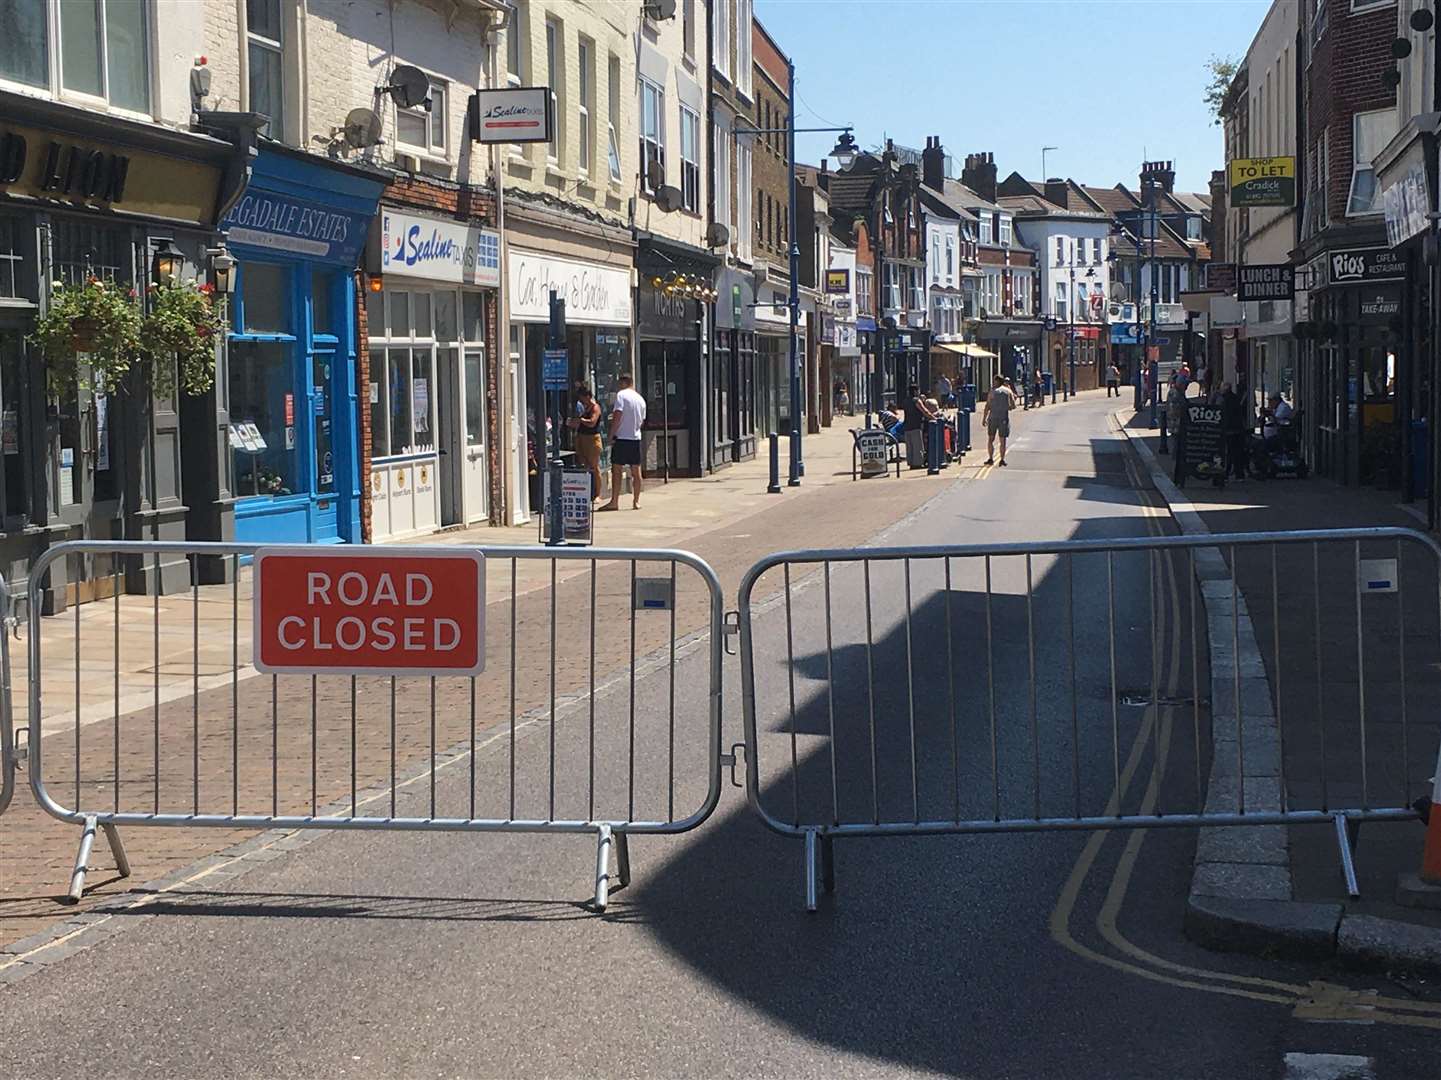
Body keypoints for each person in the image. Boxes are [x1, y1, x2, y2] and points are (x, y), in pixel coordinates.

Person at [601, 373, 646, 510]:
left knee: (617, 469)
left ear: (624, 382)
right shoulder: (640, 399)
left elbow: (617, 415)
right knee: (636, 470)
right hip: (635, 437)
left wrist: (611, 435)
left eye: (620, 383)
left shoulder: (621, 396)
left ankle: (614, 501)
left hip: (621, 438)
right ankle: (636, 501)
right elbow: (642, 421)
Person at [566, 383, 604, 503]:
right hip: (582, 437)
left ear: (587, 396)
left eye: (582, 398)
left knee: (594, 466)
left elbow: (592, 422)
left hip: (592, 439)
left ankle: (598, 494)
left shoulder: (595, 407)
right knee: (585, 465)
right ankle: (588, 491)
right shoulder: (584, 407)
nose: (581, 401)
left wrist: (581, 420)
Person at [982, 374, 1016, 467]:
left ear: (997, 381)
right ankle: (1002, 459)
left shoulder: (992, 392)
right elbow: (1013, 406)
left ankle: (991, 458)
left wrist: (984, 418)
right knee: (1003, 440)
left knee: (990, 439)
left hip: (993, 417)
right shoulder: (1008, 391)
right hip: (1003, 418)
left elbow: (987, 406)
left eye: (994, 381)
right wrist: (1005, 406)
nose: (993, 382)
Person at [902, 383, 938, 468]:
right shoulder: (916, 400)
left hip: (907, 425)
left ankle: (911, 463)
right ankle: (917, 464)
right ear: (915, 391)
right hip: (916, 425)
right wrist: (933, 418)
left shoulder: (905, 401)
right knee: (917, 446)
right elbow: (925, 411)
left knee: (910, 446)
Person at [1220, 381, 1247, 480]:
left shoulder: (1224, 400)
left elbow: (1225, 415)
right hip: (1238, 429)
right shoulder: (1235, 398)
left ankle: (1226, 473)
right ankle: (1239, 474)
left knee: (1229, 453)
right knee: (1237, 453)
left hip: (1229, 429)